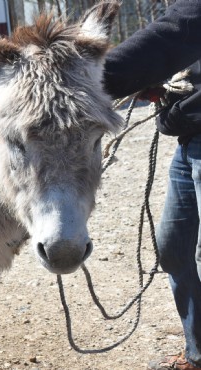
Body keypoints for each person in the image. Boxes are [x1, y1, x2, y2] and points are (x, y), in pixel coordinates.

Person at [103, 1, 201, 369]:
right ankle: (197, 353)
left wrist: (83, 74)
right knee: (174, 247)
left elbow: (174, 33)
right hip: (191, 140)